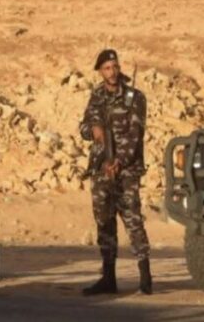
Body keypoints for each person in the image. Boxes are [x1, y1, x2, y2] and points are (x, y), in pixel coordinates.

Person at [78, 49, 152, 296]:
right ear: (100, 71)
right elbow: (83, 127)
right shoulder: (97, 96)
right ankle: (108, 277)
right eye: (107, 68)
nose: (112, 72)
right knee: (104, 220)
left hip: (126, 169)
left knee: (132, 219)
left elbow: (135, 134)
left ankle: (145, 278)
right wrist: (93, 130)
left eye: (115, 67)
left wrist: (120, 160)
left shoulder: (134, 98)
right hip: (101, 169)